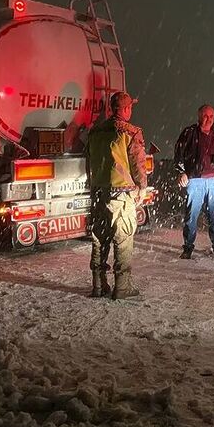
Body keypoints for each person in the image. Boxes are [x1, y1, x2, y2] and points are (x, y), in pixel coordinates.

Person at [86, 91, 147, 300]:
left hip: (98, 192)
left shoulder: (95, 132)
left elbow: (89, 162)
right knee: (123, 239)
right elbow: (138, 164)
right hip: (121, 194)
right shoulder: (131, 132)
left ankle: (98, 284)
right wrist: (141, 187)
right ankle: (122, 286)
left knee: (99, 238)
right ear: (127, 109)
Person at [174, 104, 214, 260]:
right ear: (199, 116)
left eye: (211, 116)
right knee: (191, 216)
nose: (209, 119)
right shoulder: (189, 133)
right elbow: (179, 153)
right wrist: (181, 172)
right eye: (205, 115)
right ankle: (188, 247)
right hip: (195, 180)